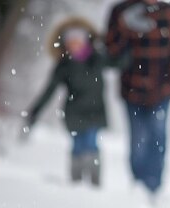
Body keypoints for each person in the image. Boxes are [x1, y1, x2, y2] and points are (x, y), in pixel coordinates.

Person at [24, 18, 128, 187]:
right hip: (74, 113)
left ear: (86, 40)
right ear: (65, 43)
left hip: (95, 111)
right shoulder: (64, 66)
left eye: (78, 39)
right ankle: (76, 183)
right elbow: (48, 91)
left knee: (91, 143)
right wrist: (34, 112)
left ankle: (94, 184)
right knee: (78, 145)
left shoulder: (97, 59)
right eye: (70, 41)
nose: (75, 44)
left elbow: (118, 62)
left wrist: (127, 45)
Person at [105, 0, 170, 195]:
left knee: (157, 136)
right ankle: (138, 184)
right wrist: (125, 26)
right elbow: (111, 53)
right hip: (132, 89)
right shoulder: (121, 11)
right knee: (138, 139)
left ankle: (153, 187)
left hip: (162, 90)